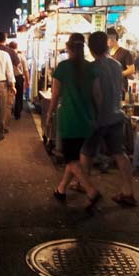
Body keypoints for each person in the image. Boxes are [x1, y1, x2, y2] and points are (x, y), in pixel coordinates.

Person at [76, 31, 136, 205]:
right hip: (116, 116)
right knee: (119, 153)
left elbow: (94, 95)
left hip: (98, 118)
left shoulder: (91, 68)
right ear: (106, 45)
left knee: (86, 153)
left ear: (90, 47)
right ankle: (128, 191)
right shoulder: (117, 65)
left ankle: (84, 185)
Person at [47, 34, 102, 210]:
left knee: (71, 160)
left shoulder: (63, 67)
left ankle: (91, 191)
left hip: (69, 119)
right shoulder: (91, 68)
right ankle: (61, 189)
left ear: (69, 48)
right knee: (74, 158)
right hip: (87, 119)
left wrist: (49, 114)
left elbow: (55, 95)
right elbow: (97, 95)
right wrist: (97, 116)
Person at [9, 41, 29, 120]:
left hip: (10, 78)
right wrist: (27, 81)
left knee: (9, 95)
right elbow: (26, 70)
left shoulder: (7, 56)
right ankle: (17, 113)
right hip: (19, 78)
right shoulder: (21, 56)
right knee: (19, 95)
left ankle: (9, 110)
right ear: (17, 47)